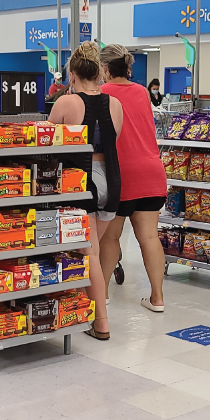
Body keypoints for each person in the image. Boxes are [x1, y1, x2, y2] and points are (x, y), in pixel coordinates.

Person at [48, 42, 123, 340]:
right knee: (90, 250)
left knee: (88, 253)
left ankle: (101, 321)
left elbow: (44, 140)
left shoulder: (67, 103)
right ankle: (84, 307)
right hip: (113, 181)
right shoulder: (115, 104)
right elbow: (115, 138)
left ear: (74, 74)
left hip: (82, 182)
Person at [98, 44, 168, 313]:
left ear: (104, 68)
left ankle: (101, 294)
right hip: (151, 171)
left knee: (109, 238)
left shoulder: (102, 93)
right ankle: (157, 298)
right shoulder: (141, 92)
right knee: (149, 238)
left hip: (118, 173)